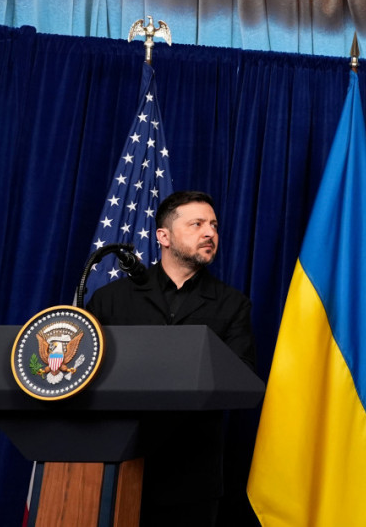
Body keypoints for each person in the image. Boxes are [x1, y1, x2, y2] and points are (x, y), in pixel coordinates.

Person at [86, 190, 256, 526]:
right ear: (163, 236)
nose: (209, 233)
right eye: (197, 224)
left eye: (214, 225)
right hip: (114, 465)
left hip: (191, 477)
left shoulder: (232, 304)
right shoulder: (110, 299)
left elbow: (242, 378)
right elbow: (85, 370)